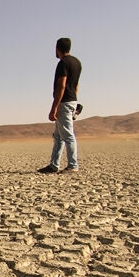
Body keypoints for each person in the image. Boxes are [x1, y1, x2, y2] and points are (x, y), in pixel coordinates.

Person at [38, 37, 82, 174]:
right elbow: (76, 85)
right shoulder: (77, 63)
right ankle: (54, 165)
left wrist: (54, 107)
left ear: (58, 48)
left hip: (64, 103)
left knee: (68, 135)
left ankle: (73, 165)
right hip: (71, 101)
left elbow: (62, 85)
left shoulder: (63, 63)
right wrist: (74, 102)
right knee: (58, 136)